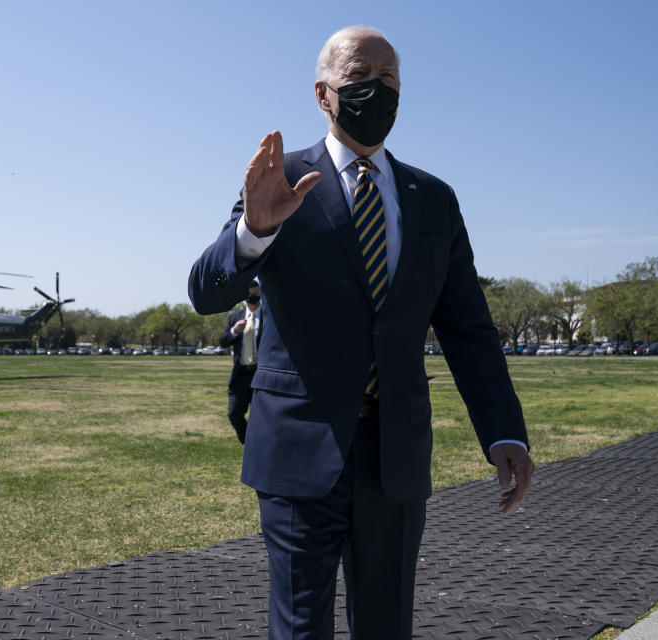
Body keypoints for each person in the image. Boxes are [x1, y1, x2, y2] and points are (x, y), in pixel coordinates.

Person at [188, 25, 534, 640]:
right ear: (324, 94)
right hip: (298, 452)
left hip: (395, 456)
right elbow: (205, 291)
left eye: (390, 79)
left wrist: (504, 429)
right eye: (360, 78)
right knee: (299, 628)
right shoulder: (281, 179)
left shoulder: (433, 199)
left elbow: (469, 329)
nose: (378, 90)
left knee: (386, 627)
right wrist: (253, 233)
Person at [219, 280, 262, 444]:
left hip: (260, 372)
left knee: (261, 417)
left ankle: (259, 446)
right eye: (250, 294)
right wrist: (233, 331)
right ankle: (249, 443)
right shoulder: (235, 316)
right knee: (234, 413)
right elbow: (223, 342)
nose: (253, 297)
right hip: (241, 373)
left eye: (256, 294)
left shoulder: (269, 316)